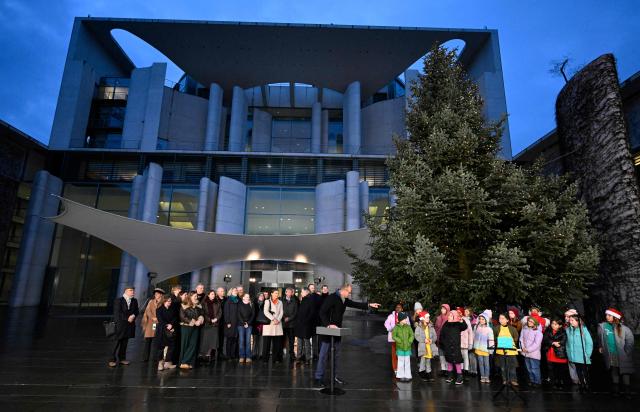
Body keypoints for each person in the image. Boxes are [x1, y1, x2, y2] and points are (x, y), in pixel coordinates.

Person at [313, 284, 380, 387]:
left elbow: (355, 304)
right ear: (342, 290)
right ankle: (318, 377)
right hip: (327, 331)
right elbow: (322, 312)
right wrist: (328, 324)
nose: (349, 294)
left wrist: (369, 305)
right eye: (348, 292)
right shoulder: (332, 298)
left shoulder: (344, 299)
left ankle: (334, 376)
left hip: (337, 331)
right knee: (323, 355)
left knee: (336, 355)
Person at [597, 308, 634, 397]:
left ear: (615, 317)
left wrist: (626, 352)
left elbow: (630, 340)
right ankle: (616, 390)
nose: (607, 317)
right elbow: (599, 338)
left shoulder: (623, 328)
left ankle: (627, 391)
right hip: (611, 354)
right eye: (606, 315)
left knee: (625, 372)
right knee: (614, 371)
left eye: (609, 315)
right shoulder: (603, 326)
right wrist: (601, 346)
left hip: (622, 354)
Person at [108, 286, 139, 367]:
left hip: (129, 325)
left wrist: (133, 316)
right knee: (116, 342)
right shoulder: (119, 300)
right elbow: (117, 313)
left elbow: (137, 311)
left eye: (133, 291)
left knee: (125, 343)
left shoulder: (134, 301)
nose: (133, 292)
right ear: (125, 291)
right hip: (119, 325)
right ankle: (112, 360)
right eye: (131, 290)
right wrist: (127, 318)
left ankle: (122, 358)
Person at [439, 309, 468, 385]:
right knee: (449, 360)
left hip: (455, 346)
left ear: (454, 316)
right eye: (449, 315)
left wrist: (462, 320)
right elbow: (442, 334)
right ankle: (450, 375)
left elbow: (464, 327)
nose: (449, 316)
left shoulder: (458, 324)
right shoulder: (446, 324)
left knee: (457, 361)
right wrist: (443, 344)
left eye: (451, 315)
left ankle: (459, 376)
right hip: (448, 346)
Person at [566, 313, 593, 392]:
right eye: (570, 320)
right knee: (578, 371)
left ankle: (587, 385)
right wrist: (569, 353)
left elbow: (589, 343)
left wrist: (587, 354)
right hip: (574, 355)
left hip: (583, 356)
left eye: (572, 320)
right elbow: (568, 343)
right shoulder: (569, 330)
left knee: (584, 371)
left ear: (578, 321)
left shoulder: (583, 330)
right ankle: (582, 385)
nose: (570, 322)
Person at [542, 317, 569, 389]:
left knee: (560, 370)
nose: (553, 325)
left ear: (560, 325)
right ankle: (554, 382)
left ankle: (560, 383)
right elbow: (545, 340)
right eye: (552, 324)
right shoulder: (548, 331)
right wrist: (553, 342)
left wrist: (557, 343)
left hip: (560, 354)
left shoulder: (563, 332)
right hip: (550, 353)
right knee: (552, 370)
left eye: (556, 324)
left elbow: (564, 341)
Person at [179, 292, 204, 369]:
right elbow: (182, 317)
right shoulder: (183, 305)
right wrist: (193, 322)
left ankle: (189, 362)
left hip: (196, 327)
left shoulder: (198, 306)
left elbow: (201, 314)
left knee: (193, 345)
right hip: (186, 327)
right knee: (185, 344)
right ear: (190, 297)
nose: (196, 297)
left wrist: (200, 320)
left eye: (196, 296)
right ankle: (183, 362)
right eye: (195, 296)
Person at [493, 313, 519, 386]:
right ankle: (505, 379)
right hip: (501, 351)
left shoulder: (513, 329)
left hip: (511, 351)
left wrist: (508, 341)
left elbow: (516, 338)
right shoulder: (496, 328)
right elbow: (494, 338)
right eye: (500, 318)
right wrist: (499, 340)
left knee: (512, 366)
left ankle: (513, 380)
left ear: (507, 320)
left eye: (503, 318)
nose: (501, 320)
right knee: (503, 367)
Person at [141, 288, 164, 363]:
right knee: (148, 341)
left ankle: (155, 357)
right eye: (155, 294)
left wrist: (158, 319)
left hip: (159, 323)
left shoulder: (163, 302)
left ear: (161, 294)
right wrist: (153, 317)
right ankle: (145, 357)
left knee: (156, 341)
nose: (156, 295)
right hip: (151, 324)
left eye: (157, 294)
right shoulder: (151, 301)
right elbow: (148, 311)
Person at [155, 296, 178, 371]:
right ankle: (160, 363)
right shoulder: (159, 310)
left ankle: (167, 362)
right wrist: (167, 325)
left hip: (171, 329)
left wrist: (171, 325)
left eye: (170, 301)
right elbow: (160, 320)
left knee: (172, 346)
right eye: (168, 301)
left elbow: (175, 318)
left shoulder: (172, 309)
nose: (170, 302)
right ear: (164, 301)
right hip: (162, 329)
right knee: (161, 347)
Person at [414, 310, 437, 382]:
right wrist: (424, 340)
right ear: (423, 319)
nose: (428, 319)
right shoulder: (419, 327)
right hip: (423, 346)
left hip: (429, 346)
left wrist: (432, 340)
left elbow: (435, 336)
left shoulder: (431, 327)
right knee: (423, 360)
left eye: (428, 318)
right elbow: (416, 336)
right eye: (427, 318)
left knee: (428, 360)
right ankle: (421, 371)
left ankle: (429, 372)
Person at [520, 316, 543, 387]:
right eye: (529, 321)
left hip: (534, 354)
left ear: (535, 323)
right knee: (529, 368)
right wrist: (523, 347)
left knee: (534, 368)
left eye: (531, 322)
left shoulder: (538, 332)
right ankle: (532, 380)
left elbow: (536, 344)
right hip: (525, 353)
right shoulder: (524, 329)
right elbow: (521, 339)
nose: (529, 323)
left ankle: (537, 382)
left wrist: (528, 349)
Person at [199, 289, 222, 362]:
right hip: (206, 324)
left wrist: (216, 319)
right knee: (205, 341)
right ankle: (203, 356)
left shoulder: (217, 302)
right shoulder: (204, 303)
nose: (213, 295)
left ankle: (208, 355)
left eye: (214, 294)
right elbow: (202, 313)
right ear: (208, 295)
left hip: (214, 324)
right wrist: (209, 320)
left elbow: (220, 312)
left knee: (212, 341)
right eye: (212, 294)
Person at [473, 310, 494, 384]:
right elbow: (474, 337)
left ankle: (487, 377)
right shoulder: (477, 328)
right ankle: (482, 376)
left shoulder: (489, 329)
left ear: (486, 320)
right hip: (478, 349)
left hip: (485, 349)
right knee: (480, 363)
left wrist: (491, 350)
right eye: (480, 319)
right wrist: (474, 346)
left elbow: (491, 340)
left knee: (486, 364)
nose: (481, 320)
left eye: (483, 319)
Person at [262, 289, 284, 363]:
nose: (277, 294)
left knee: (277, 343)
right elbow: (265, 312)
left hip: (278, 324)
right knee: (266, 343)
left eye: (277, 293)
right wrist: (273, 319)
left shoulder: (280, 302)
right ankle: (265, 359)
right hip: (269, 324)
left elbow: (281, 312)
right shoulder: (267, 301)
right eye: (275, 293)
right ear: (271, 294)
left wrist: (278, 319)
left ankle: (276, 359)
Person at [294, 288, 315, 364]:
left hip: (306, 325)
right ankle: (299, 357)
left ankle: (308, 358)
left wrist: (306, 321)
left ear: (306, 292)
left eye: (302, 292)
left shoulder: (310, 300)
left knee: (306, 342)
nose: (301, 293)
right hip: (300, 324)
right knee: (299, 342)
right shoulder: (303, 300)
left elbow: (312, 313)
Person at [392, 312, 414, 382]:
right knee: (401, 362)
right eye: (405, 319)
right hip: (400, 347)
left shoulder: (408, 327)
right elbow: (394, 336)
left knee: (407, 362)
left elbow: (412, 335)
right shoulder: (396, 327)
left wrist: (409, 341)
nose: (406, 320)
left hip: (407, 347)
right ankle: (401, 375)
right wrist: (399, 340)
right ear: (400, 320)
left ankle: (407, 375)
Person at [384, 303, 404, 373]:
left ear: (402, 309)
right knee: (394, 354)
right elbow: (386, 323)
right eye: (396, 307)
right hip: (394, 338)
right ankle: (395, 368)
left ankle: (401, 368)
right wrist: (390, 329)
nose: (398, 309)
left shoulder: (405, 317)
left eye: (399, 307)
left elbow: (408, 326)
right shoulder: (391, 316)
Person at [237, 293, 255, 363]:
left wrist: (248, 323)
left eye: (248, 297)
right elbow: (238, 314)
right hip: (241, 325)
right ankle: (241, 356)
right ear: (243, 298)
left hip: (249, 325)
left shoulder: (251, 304)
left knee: (248, 341)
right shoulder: (239, 304)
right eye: (246, 297)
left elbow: (253, 315)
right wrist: (244, 323)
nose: (247, 298)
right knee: (241, 341)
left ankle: (248, 357)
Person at [564, 308, 580, 385]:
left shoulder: (580, 327)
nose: (566, 318)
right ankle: (575, 380)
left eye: (567, 316)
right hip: (569, 349)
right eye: (565, 316)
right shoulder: (566, 327)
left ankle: (581, 380)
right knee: (571, 365)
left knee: (579, 366)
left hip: (578, 350)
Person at [282, 287, 299, 362]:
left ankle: (291, 354)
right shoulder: (281, 300)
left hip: (291, 324)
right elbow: (279, 310)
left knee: (292, 340)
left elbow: (296, 312)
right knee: (282, 340)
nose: (289, 293)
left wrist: (289, 318)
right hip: (283, 324)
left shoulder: (295, 301)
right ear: (285, 292)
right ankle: (281, 354)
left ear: (292, 293)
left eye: (290, 292)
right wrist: (284, 318)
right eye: (287, 292)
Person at [223, 287, 240, 361]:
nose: (236, 291)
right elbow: (226, 312)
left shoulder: (238, 300)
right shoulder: (228, 300)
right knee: (229, 339)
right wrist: (228, 322)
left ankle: (233, 355)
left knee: (235, 339)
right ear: (231, 292)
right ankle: (228, 355)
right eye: (234, 290)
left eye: (236, 290)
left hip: (237, 323)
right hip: (230, 323)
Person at [457, 307, 474, 376]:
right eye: (457, 312)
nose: (458, 313)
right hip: (457, 342)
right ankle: (460, 370)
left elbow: (470, 332)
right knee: (459, 356)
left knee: (465, 356)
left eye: (460, 312)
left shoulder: (466, 320)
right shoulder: (455, 319)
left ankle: (466, 370)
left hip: (465, 341)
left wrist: (470, 343)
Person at [434, 303, 450, 376]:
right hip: (439, 338)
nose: (442, 310)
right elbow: (436, 328)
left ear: (447, 310)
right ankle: (443, 369)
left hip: (447, 339)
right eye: (441, 308)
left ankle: (448, 369)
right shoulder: (438, 318)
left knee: (447, 354)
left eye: (444, 309)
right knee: (441, 355)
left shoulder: (449, 318)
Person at [252, 292, 267, 360]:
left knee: (262, 340)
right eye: (260, 296)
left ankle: (261, 354)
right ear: (257, 296)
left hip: (263, 323)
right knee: (255, 340)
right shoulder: (254, 304)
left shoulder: (266, 304)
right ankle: (254, 354)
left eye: (262, 296)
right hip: (255, 323)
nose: (261, 297)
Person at [464, 307, 478, 377]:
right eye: (465, 311)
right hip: (465, 339)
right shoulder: (463, 319)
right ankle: (468, 370)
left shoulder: (474, 320)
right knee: (467, 355)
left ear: (470, 312)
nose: (465, 313)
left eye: (467, 311)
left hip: (472, 339)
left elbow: (474, 331)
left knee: (472, 356)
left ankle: (474, 371)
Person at [215, 287, 227, 358]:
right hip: (216, 320)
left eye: (223, 291)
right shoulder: (215, 299)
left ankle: (220, 352)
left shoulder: (226, 299)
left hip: (223, 321)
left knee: (221, 337)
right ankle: (213, 353)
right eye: (221, 291)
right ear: (218, 292)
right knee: (215, 337)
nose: (223, 292)